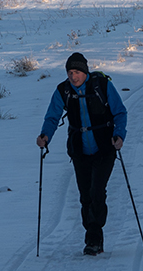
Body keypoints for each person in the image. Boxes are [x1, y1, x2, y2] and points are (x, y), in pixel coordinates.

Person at [37, 52, 127, 256]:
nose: (73, 76)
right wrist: (45, 136)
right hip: (80, 151)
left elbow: (120, 112)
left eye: (77, 72)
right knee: (85, 195)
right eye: (70, 72)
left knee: (97, 191)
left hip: (105, 148)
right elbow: (52, 117)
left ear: (85, 72)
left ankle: (94, 238)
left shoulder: (102, 86)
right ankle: (92, 236)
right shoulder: (63, 91)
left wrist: (119, 135)